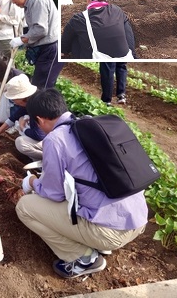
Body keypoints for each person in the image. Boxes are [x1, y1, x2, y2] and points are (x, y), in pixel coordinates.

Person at [16, 88, 147, 278]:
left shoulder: (54, 139)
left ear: (40, 119)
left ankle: (84, 259)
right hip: (138, 219)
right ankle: (94, 241)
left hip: (109, 232)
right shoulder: (88, 124)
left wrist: (32, 182)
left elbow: (54, 194)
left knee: (25, 207)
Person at [4, 0, 64, 89]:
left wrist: (21, 39)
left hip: (51, 48)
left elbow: (41, 29)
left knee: (43, 87)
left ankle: (49, 106)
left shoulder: (37, 0)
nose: (13, 1)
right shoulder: (30, 2)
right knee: (41, 84)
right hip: (45, 49)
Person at [61, 0, 135, 60]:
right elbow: (129, 35)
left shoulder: (79, 19)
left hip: (96, 58)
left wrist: (63, 52)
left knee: (75, 38)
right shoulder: (117, 10)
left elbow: (64, 44)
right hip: (125, 57)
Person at [0, 74, 45, 162]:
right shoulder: (30, 100)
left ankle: (48, 158)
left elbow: (39, 135)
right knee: (21, 119)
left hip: (52, 141)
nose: (13, 101)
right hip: (49, 137)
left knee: (20, 143)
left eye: (14, 98)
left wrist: (22, 127)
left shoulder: (37, 107)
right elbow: (13, 118)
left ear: (21, 97)